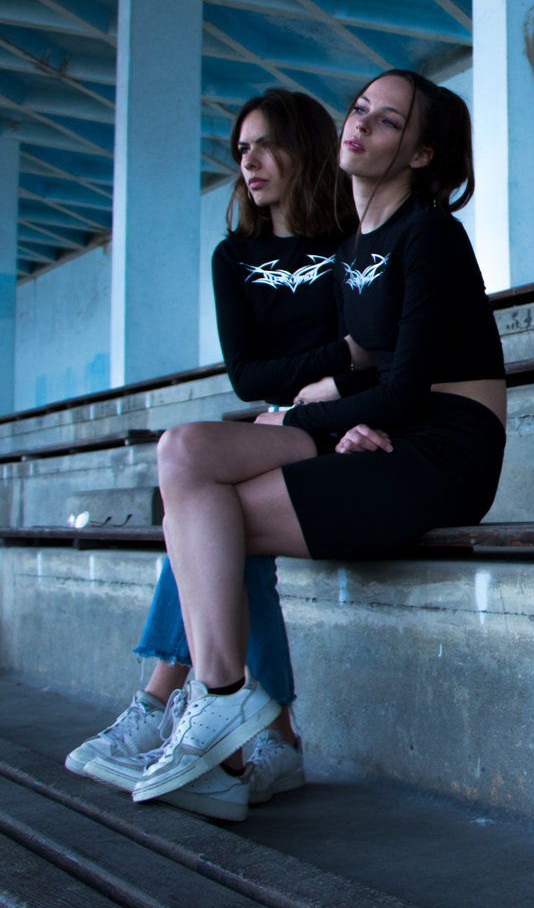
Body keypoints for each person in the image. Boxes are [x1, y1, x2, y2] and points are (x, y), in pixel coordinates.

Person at [124, 70, 506, 813]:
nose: (359, 123)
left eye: (387, 121)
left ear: (421, 155)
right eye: (359, 108)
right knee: (184, 453)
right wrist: (340, 405)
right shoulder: (356, 246)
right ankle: (223, 704)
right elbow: (374, 370)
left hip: (446, 453)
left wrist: (301, 418)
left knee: (209, 518)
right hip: (388, 432)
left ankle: (218, 705)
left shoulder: (431, 234)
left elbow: (408, 386)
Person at [65, 88, 358, 819]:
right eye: (241, 150)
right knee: (215, 513)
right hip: (277, 422)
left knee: (200, 497)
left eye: (265, 145)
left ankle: (164, 702)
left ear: (303, 148)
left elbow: (374, 355)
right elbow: (249, 375)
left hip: (336, 426)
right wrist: (333, 362)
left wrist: (330, 378)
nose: (249, 162)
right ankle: (273, 738)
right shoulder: (234, 256)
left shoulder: (351, 242)